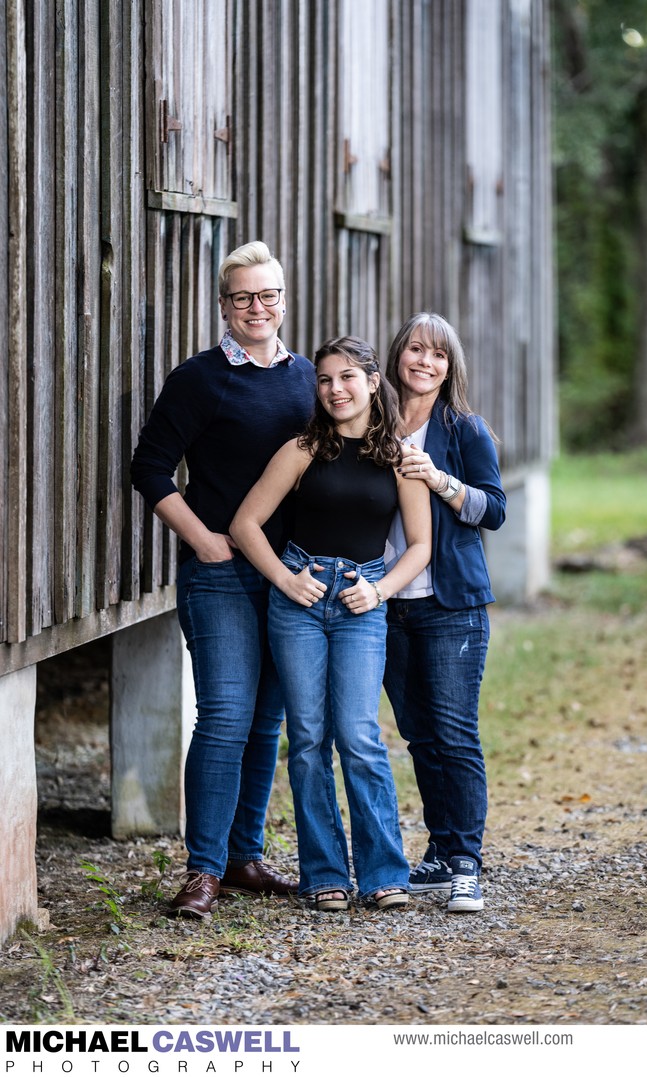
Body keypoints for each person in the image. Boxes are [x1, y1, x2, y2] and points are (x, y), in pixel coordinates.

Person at [131, 241, 318, 919]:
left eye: (267, 295)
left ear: (283, 299)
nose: (256, 308)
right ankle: (203, 869)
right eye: (242, 297)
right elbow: (150, 467)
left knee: (265, 721)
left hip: (290, 573)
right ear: (223, 304)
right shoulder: (200, 378)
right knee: (225, 715)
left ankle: (243, 857)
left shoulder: (307, 380)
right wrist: (200, 536)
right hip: (220, 577)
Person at [231, 336, 432, 911]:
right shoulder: (302, 448)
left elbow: (419, 546)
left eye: (347, 377)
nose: (335, 389)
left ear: (373, 382)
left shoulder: (399, 456)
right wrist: (285, 580)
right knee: (310, 740)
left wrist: (381, 590)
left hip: (359, 603)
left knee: (360, 736)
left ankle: (384, 874)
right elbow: (247, 524)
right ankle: (324, 875)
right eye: (324, 380)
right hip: (299, 598)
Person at [383, 312, 506, 913]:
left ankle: (465, 863)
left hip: (450, 602)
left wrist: (441, 481)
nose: (424, 362)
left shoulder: (465, 430)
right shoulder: (371, 421)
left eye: (437, 354)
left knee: (454, 733)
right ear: (397, 356)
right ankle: (439, 848)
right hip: (385, 605)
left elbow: (495, 510)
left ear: (449, 366)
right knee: (419, 734)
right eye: (414, 350)